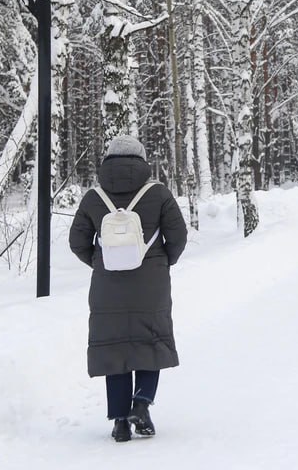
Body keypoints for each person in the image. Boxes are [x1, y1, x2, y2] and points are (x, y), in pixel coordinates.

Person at [68, 135, 188, 442]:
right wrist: (163, 261)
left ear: (108, 161)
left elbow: (77, 242)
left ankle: (120, 421)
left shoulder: (94, 197)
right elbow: (178, 235)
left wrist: (100, 263)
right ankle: (142, 405)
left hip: (107, 286)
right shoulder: (158, 193)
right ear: (142, 161)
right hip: (151, 283)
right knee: (150, 342)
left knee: (114, 347)